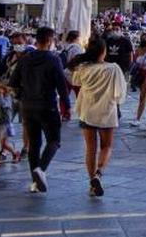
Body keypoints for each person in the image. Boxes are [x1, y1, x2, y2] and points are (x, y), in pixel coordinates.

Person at [8, 27, 67, 193]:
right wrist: (66, 105)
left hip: (27, 106)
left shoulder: (25, 59)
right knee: (54, 140)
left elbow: (13, 83)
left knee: (34, 144)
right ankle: (41, 169)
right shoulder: (54, 59)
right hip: (47, 105)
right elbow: (62, 86)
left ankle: (34, 183)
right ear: (49, 41)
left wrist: (22, 96)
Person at [70, 38, 127, 197]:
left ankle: (92, 183)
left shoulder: (83, 68)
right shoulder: (113, 69)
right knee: (107, 146)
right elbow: (119, 93)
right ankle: (98, 174)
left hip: (87, 110)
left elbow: (75, 81)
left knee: (90, 149)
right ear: (104, 52)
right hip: (106, 112)